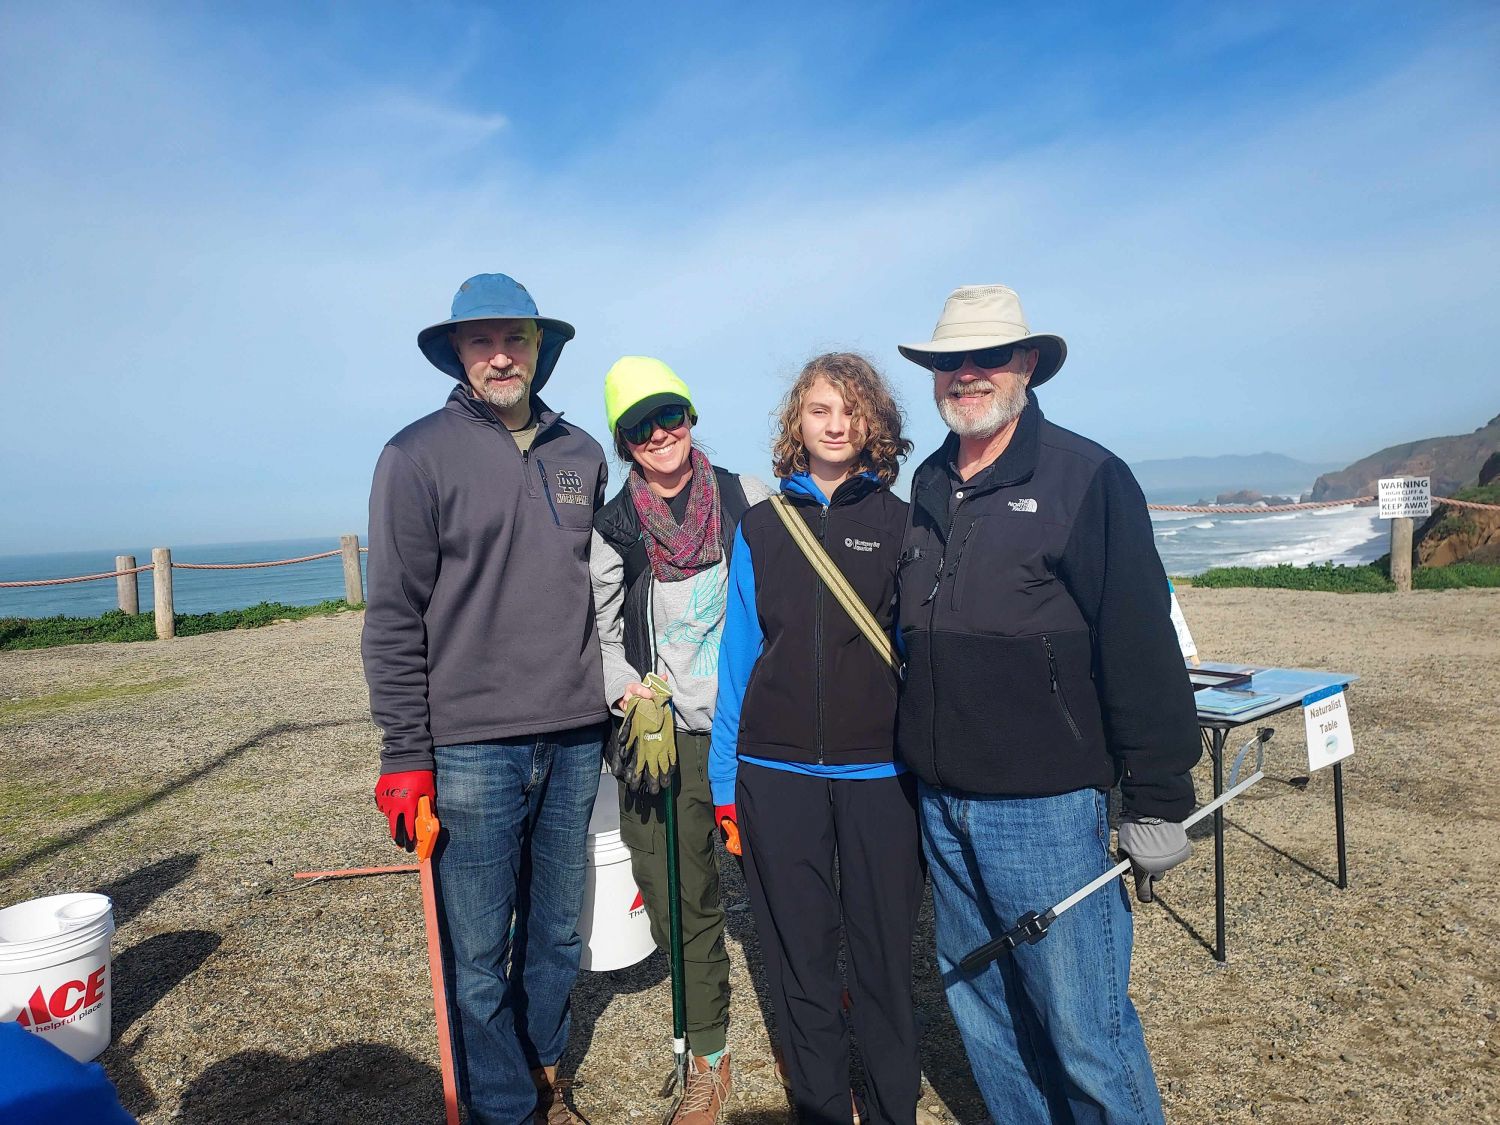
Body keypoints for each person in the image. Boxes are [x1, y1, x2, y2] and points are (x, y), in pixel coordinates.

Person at [894, 284, 1202, 1123]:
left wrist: (1160, 794)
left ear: (1026, 363)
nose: (967, 375)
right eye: (950, 362)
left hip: (1046, 809)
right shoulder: (926, 482)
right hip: (943, 803)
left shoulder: (1088, 476)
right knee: (986, 1014)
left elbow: (1138, 642)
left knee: (1084, 1031)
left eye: (988, 357)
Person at [362, 273, 609, 1125]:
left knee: (557, 936)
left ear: (540, 348)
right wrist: (405, 754)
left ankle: (545, 1067)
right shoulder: (414, 455)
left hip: (578, 732)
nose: (500, 354)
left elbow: (607, 588)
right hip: (469, 744)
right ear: (458, 354)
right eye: (480, 341)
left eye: (515, 338)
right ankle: (505, 1108)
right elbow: (393, 613)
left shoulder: (584, 453)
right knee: (475, 950)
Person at [711, 353, 926, 1125]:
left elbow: (921, 653)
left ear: (875, 426)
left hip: (882, 775)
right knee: (799, 960)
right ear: (796, 422)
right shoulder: (761, 528)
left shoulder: (903, 524)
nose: (836, 424)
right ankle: (824, 1107)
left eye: (852, 410)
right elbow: (737, 658)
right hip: (774, 772)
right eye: (820, 409)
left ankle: (894, 1104)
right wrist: (723, 782)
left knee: (884, 961)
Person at [589, 356, 773, 1124]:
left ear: (691, 417)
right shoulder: (613, 527)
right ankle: (710, 1052)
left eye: (672, 416)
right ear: (625, 441)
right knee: (677, 901)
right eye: (641, 426)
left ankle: (816, 1022)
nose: (661, 434)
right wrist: (623, 688)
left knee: (789, 884)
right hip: (657, 741)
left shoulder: (745, 499)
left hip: (751, 730)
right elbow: (597, 632)